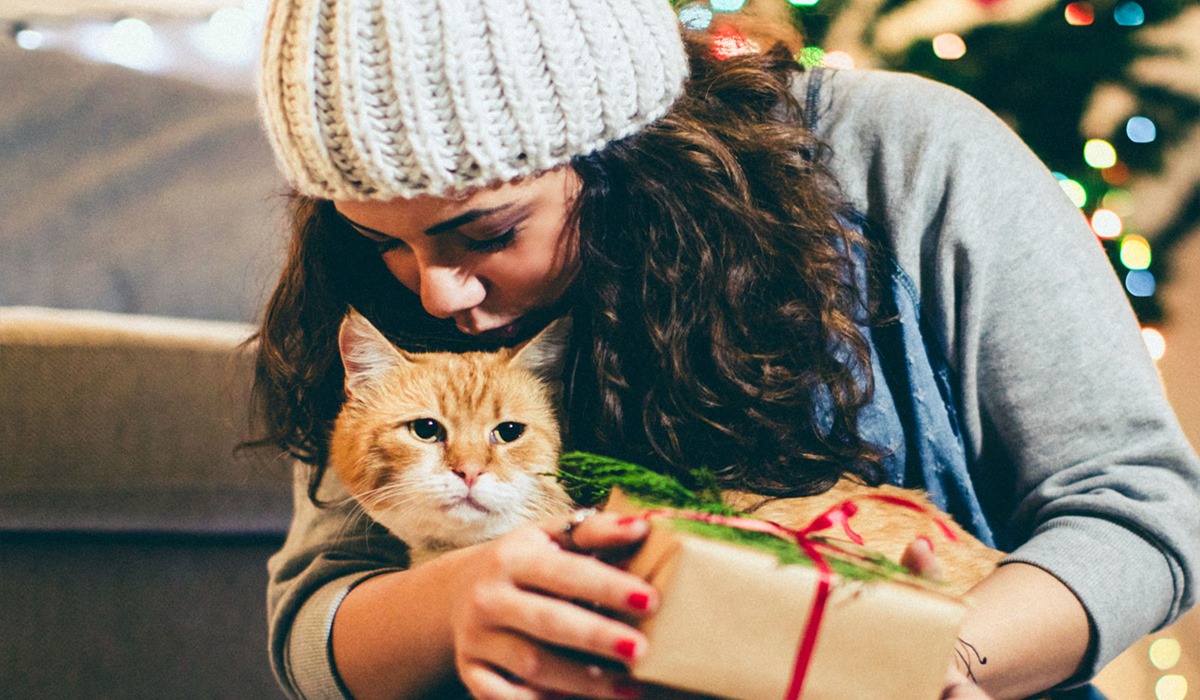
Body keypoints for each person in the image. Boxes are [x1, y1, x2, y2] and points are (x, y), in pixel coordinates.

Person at [251, 1, 1200, 698]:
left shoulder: (909, 156)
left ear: (626, 152)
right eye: (384, 243)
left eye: (489, 233)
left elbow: (1141, 511)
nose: (437, 292)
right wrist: (459, 604)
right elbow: (312, 613)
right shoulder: (383, 288)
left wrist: (923, 659)